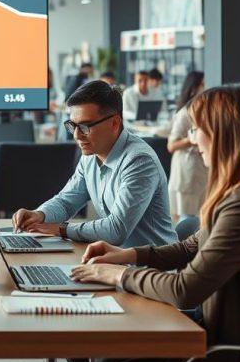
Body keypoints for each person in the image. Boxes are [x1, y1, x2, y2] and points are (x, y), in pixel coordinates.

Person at [71, 83, 240, 362]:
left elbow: (185, 289)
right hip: (232, 331)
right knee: (96, 344)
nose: (192, 140)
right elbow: (192, 246)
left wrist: (117, 274)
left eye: (196, 130)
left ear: (226, 134)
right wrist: (129, 255)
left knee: (106, 353)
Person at [13, 80, 175, 247]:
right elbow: (67, 201)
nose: (76, 135)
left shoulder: (139, 161)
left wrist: (61, 229)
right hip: (115, 261)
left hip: (151, 268)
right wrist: (39, 215)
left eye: (84, 126)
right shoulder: (90, 155)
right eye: (72, 126)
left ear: (115, 123)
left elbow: (116, 230)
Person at [167, 71, 207, 222]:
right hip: (187, 172)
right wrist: (193, 139)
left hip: (200, 171)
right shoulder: (185, 113)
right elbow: (171, 145)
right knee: (187, 220)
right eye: (203, 84)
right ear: (194, 88)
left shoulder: (203, 109)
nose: (206, 87)